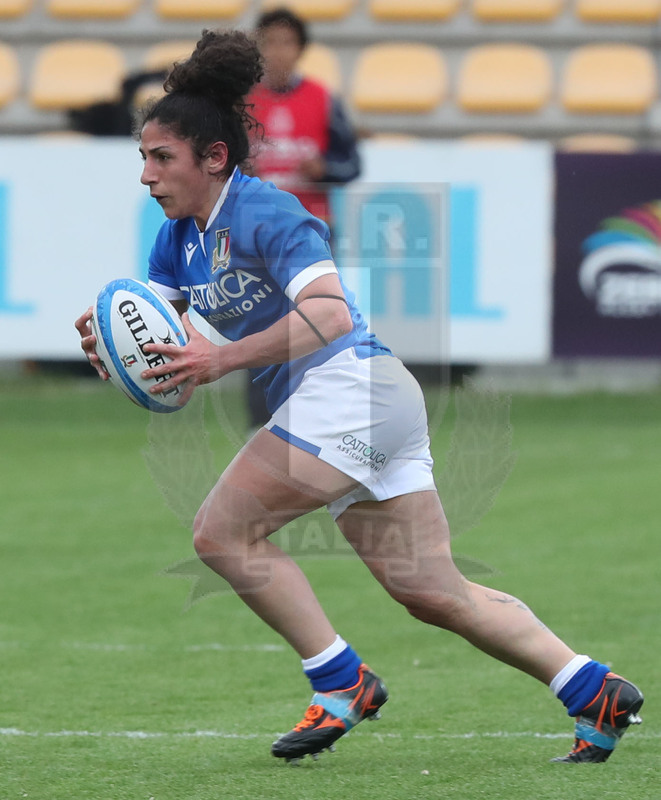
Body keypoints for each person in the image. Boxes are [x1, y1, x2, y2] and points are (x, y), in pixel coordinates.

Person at [75, 29, 644, 766]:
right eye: (142, 159)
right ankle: (590, 688)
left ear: (213, 157)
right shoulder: (177, 238)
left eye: (160, 158)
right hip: (359, 405)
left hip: (352, 392)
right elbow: (154, 343)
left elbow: (332, 316)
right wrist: (112, 347)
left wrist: (221, 358)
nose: (146, 176)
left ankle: (341, 682)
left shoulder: (268, 213)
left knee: (221, 533)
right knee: (433, 592)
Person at [243, 7, 362, 430]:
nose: (278, 52)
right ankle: (262, 422)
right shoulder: (242, 102)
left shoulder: (322, 100)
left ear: (300, 49)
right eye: (269, 42)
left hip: (311, 234)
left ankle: (316, 415)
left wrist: (324, 169)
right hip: (253, 233)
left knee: (317, 319)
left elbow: (351, 164)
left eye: (286, 42)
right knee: (259, 323)